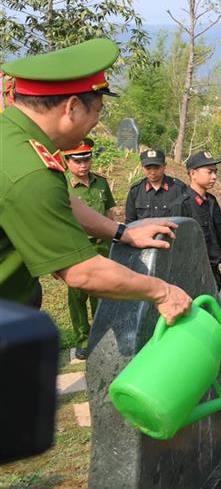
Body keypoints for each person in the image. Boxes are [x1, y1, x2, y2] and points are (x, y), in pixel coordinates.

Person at [0, 38, 191, 325]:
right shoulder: (31, 172)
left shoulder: (11, 134)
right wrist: (162, 292)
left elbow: (62, 203)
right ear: (72, 107)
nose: (96, 122)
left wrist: (121, 232)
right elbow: (82, 272)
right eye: (98, 111)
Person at [63, 138, 115, 359]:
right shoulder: (61, 184)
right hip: (76, 247)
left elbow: (110, 213)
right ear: (67, 162)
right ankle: (83, 340)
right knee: (77, 297)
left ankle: (101, 336)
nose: (83, 165)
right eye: (77, 161)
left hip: (101, 247)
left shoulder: (101, 183)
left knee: (101, 294)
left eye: (87, 159)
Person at [184, 150, 221, 290]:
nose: (214, 177)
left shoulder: (212, 201)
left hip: (213, 272)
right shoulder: (182, 204)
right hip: (192, 276)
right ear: (193, 173)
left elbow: (220, 240)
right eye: (209, 172)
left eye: (215, 172)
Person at [124, 149, 194, 222]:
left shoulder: (179, 188)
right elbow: (130, 221)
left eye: (157, 168)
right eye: (148, 168)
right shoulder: (136, 190)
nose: (153, 172)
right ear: (142, 167)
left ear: (164, 166)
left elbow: (187, 219)